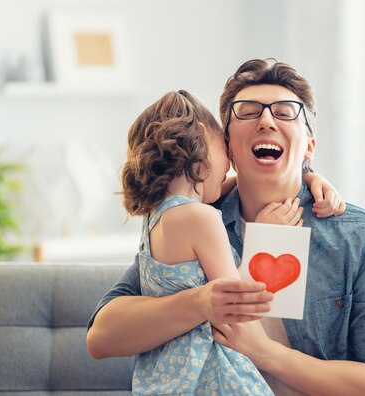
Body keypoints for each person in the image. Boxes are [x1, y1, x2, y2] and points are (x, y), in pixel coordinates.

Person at [87, 59, 365, 395]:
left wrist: (266, 352)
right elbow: (101, 337)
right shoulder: (195, 221)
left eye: (285, 112)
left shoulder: (363, 236)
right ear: (226, 146)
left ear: (309, 147)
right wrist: (203, 302)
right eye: (248, 111)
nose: (266, 120)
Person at [117, 89, 344, 395]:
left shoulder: (156, 217)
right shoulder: (203, 218)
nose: (229, 166)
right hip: (209, 371)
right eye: (225, 147)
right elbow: (235, 302)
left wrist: (307, 176)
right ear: (201, 139)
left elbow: (246, 180)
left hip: (165, 372)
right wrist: (264, 235)